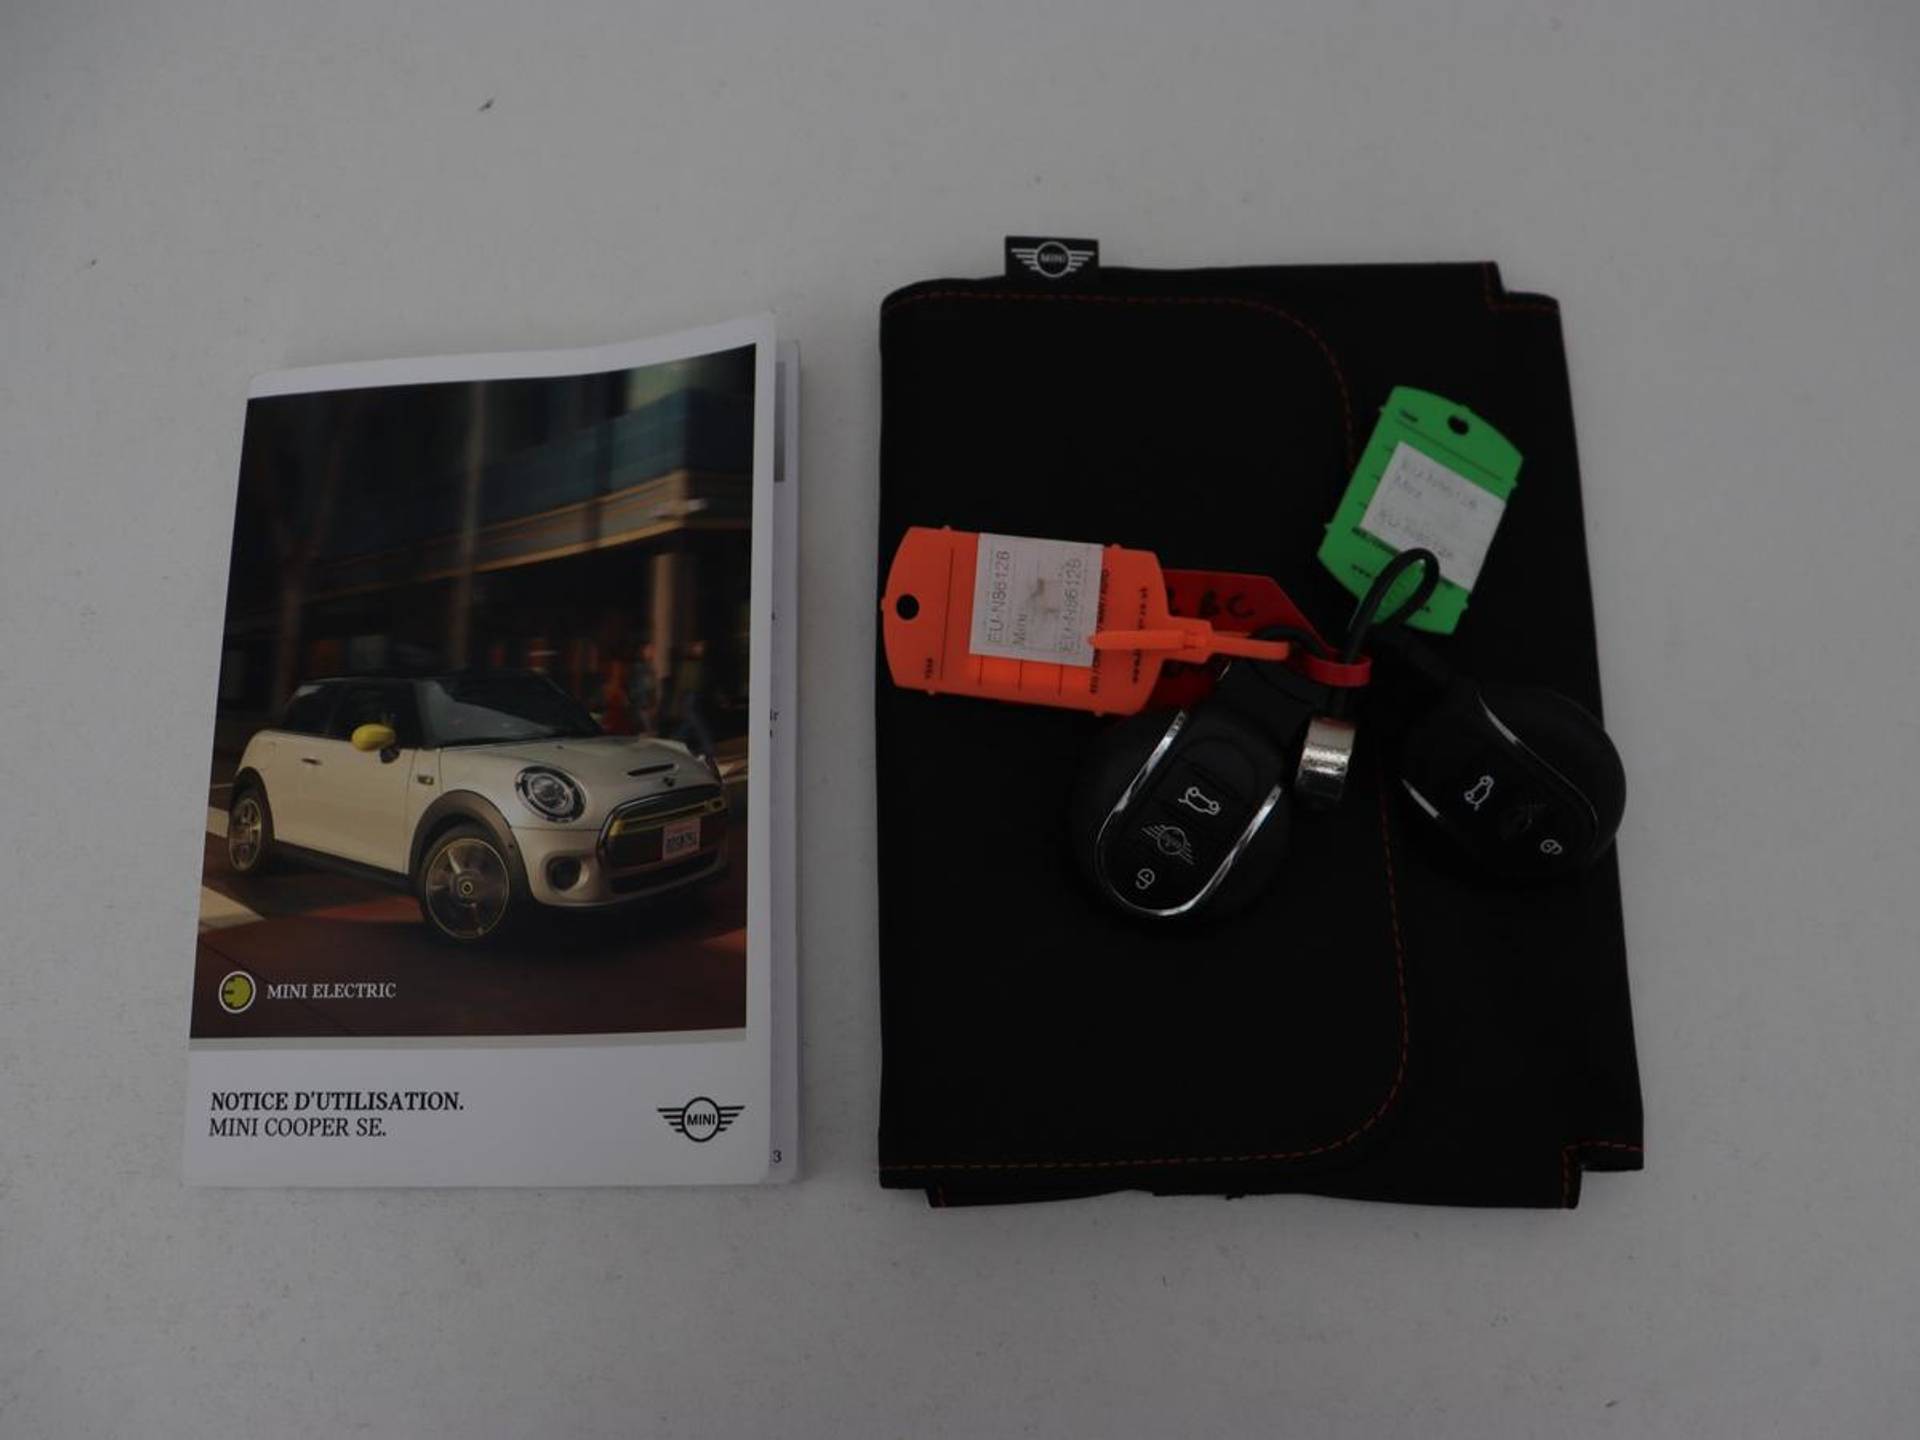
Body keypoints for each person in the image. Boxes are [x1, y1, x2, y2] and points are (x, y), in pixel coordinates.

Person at [670, 639, 715, 761]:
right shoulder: (689, 662)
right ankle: (708, 747)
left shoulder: (699, 662)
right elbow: (685, 681)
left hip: (694, 695)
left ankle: (673, 742)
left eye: (702, 647)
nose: (701, 649)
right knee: (696, 722)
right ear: (693, 648)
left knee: (689, 723)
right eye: (698, 647)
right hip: (689, 695)